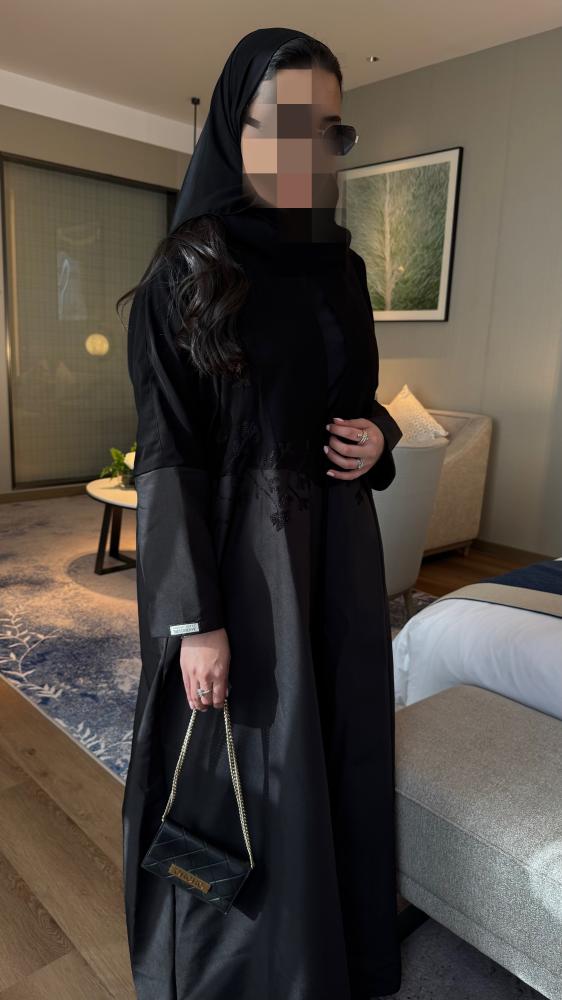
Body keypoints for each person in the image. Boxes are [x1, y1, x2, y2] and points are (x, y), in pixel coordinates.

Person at [119, 26, 403, 1000]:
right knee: (248, 759)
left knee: (337, 742)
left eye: (328, 130)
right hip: (240, 566)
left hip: (339, 552)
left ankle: (336, 951)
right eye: (282, 124)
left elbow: (352, 399)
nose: (305, 151)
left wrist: (378, 439)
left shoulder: (341, 267)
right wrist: (193, 621)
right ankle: (247, 972)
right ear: (230, 127)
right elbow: (169, 455)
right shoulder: (185, 270)